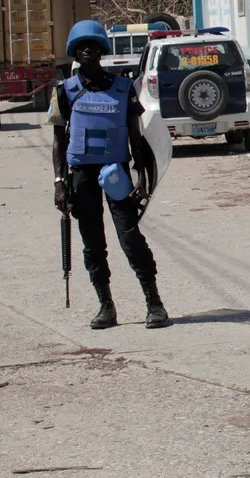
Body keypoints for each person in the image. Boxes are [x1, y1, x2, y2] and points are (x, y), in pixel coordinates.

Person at [48, 20, 170, 330]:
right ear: (75, 53)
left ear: (102, 50)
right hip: (81, 177)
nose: (87, 50)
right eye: (81, 47)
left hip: (116, 173)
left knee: (130, 238)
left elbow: (136, 137)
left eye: (93, 45)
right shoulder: (64, 91)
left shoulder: (122, 88)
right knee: (93, 244)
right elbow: (59, 141)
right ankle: (106, 306)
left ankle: (154, 304)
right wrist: (60, 183)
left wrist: (144, 177)